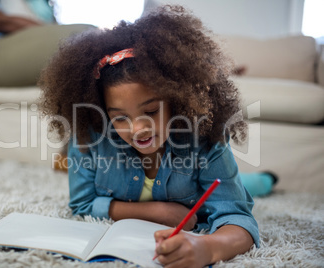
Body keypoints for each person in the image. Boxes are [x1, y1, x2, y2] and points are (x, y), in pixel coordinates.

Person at [39, 5, 267, 267]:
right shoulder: (89, 136)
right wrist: (158, 212)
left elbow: (238, 219)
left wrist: (208, 247)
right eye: (120, 117)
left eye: (150, 111)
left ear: (176, 101)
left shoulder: (204, 141)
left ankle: (264, 180)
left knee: (248, 187)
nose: (138, 129)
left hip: (211, 176)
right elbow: (82, 204)